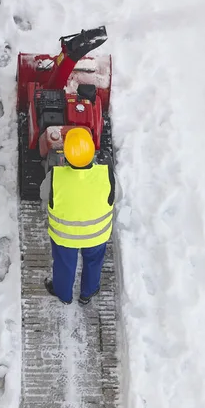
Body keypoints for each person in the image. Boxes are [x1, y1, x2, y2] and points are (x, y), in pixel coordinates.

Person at [40, 127, 116, 305]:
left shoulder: (55, 177)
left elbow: (44, 195)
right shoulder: (106, 175)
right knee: (93, 262)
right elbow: (117, 195)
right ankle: (88, 293)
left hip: (64, 236)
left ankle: (63, 294)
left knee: (64, 264)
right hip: (97, 235)